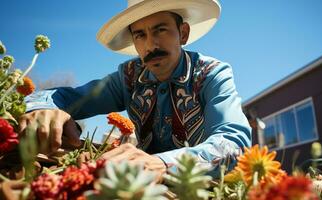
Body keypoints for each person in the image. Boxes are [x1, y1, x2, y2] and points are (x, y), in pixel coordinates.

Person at [20, 0, 251, 179]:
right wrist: (42, 109)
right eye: (140, 35)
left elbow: (234, 143)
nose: (151, 45)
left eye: (160, 30)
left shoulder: (212, 73)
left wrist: (163, 164)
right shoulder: (128, 78)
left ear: (183, 33)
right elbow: (66, 97)